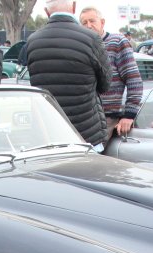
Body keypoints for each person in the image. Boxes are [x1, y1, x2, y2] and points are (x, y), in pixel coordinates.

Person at [25, 0, 112, 149]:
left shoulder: (32, 42)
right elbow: (106, 83)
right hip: (87, 132)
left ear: (47, 12)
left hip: (48, 132)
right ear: (74, 7)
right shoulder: (91, 39)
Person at [80, 6, 142, 140]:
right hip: (84, 118)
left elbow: (134, 80)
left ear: (102, 22)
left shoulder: (117, 42)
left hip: (108, 117)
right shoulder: (80, 46)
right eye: (84, 23)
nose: (88, 26)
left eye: (92, 21)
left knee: (92, 155)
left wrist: (129, 115)